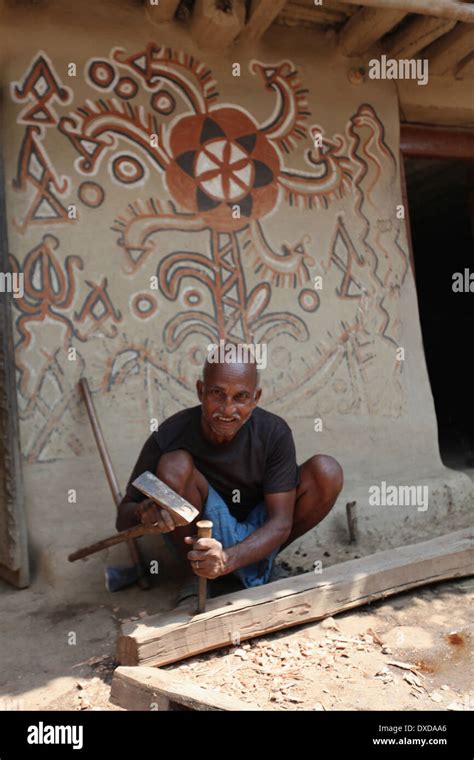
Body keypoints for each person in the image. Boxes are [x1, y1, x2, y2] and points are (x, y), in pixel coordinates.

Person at [117, 352, 343, 598]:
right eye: (217, 394)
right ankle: (198, 574)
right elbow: (123, 518)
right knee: (175, 463)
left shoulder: (273, 433)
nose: (227, 409)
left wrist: (226, 560)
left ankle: (259, 564)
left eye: (241, 397)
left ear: (256, 398)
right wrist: (145, 512)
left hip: (257, 533)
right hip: (199, 539)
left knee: (326, 472)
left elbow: (280, 522)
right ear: (200, 391)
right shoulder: (170, 434)